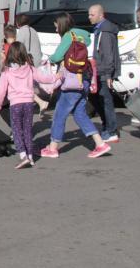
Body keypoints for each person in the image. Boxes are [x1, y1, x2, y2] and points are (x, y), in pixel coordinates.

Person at [40, 13, 111, 159]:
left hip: (70, 82)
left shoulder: (68, 36)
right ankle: (100, 144)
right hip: (83, 79)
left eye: (56, 27)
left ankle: (53, 148)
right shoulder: (83, 36)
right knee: (79, 113)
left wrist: (50, 59)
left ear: (62, 24)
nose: (55, 30)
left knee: (60, 114)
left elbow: (57, 56)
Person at [0, 42, 55, 168]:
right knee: (27, 130)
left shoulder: (7, 71)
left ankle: (23, 155)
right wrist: (57, 76)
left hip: (15, 104)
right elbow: (43, 78)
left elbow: (1, 91)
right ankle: (31, 156)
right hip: (28, 103)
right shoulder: (30, 68)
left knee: (17, 131)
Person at [88, 4, 120, 142]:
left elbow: (108, 56)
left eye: (92, 15)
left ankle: (111, 131)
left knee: (106, 101)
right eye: (89, 14)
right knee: (96, 99)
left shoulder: (105, 32)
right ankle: (107, 127)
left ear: (101, 15)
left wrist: (108, 75)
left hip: (103, 72)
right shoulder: (100, 29)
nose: (89, 17)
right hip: (99, 71)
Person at [15, 13, 49, 114]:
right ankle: (38, 99)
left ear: (18, 22)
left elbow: (18, 47)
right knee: (29, 83)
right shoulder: (33, 30)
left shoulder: (22, 31)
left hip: (28, 61)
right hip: (36, 60)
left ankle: (39, 101)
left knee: (24, 85)